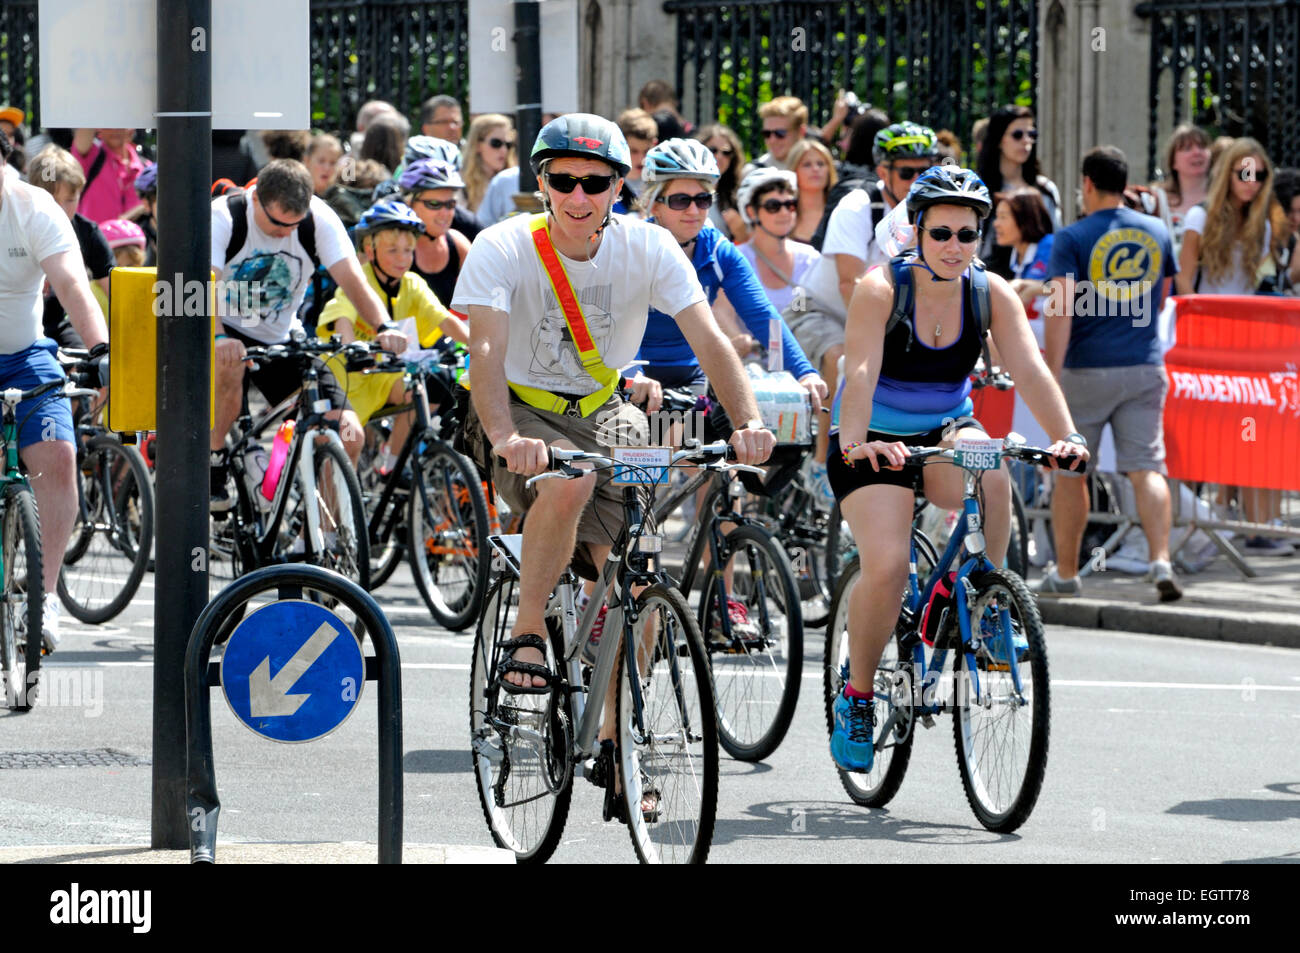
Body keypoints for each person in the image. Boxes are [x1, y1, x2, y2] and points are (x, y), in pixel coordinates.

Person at [454, 114, 775, 726]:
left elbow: (709, 338)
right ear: (542, 183)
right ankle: (527, 632)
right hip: (520, 405)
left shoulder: (647, 247)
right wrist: (506, 437)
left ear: (618, 188)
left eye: (595, 183)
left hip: (605, 407)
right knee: (569, 480)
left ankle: (617, 738)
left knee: (639, 578)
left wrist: (747, 421)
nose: (579, 196)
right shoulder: (504, 245)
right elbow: (487, 352)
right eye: (564, 180)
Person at [828, 165, 1088, 770]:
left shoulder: (989, 291)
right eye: (940, 233)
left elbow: (1029, 368)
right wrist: (858, 442)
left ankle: (985, 599)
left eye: (966, 235)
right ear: (916, 229)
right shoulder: (880, 288)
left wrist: (1066, 436)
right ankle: (858, 695)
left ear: (980, 237)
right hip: (873, 440)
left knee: (991, 470)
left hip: (945, 427)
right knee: (888, 566)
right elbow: (860, 374)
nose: (953, 247)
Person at [208, 158, 409, 509]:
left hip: (281, 336)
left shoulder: (318, 218)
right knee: (230, 366)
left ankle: (318, 539)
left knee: (348, 432)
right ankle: (213, 457)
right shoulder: (224, 216)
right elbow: (199, 285)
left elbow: (353, 280)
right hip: (224, 329)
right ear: (255, 198)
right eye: (276, 224)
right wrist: (219, 336)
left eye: (293, 225)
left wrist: (384, 326)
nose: (285, 233)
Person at [1040, 145, 1181, 599]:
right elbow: (1162, 299)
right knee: (1146, 468)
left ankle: (1066, 573)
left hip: (1086, 370)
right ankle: (1161, 559)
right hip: (1144, 365)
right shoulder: (1158, 230)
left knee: (1072, 472)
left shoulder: (1072, 237)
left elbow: (1059, 308)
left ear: (1086, 184)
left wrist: (1051, 372)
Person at [0, 130, 111, 651]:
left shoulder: (32, 205)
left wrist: (101, 350)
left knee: (60, 456)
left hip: (25, 356)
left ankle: (42, 600)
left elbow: (72, 285)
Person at [1176, 138, 1299, 554]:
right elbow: (1184, 281)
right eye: (1244, 172)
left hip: (1243, 341)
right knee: (1197, 431)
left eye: (1260, 175)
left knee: (1247, 428)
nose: (1252, 182)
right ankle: (1194, 523)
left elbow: (1256, 287)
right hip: (1203, 340)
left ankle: (1252, 525)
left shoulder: (1262, 226)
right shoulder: (1199, 216)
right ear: (1227, 172)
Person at [317, 201, 468, 472]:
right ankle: (333, 512)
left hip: (385, 379)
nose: (403, 259)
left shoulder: (412, 284)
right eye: (393, 250)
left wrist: (480, 345)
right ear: (369, 250)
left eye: (409, 251)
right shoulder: (358, 281)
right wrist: (353, 347)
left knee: (421, 388)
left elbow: (444, 319)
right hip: (348, 383)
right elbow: (343, 317)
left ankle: (392, 466)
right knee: (342, 453)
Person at [25, 145, 113, 349]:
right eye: (53, 201)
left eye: (70, 200)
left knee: (93, 363)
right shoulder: (18, 227)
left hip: (61, 325)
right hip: (22, 327)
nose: (61, 210)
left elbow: (116, 293)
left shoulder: (88, 232)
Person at [975, 106, 1062, 278]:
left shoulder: (1046, 189)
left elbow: (1056, 242)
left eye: (1032, 135)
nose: (1026, 141)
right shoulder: (978, 189)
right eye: (1017, 135)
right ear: (999, 139)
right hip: (988, 281)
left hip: (1036, 281)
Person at [399, 157, 472, 309]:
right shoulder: (391, 245)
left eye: (450, 204)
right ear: (409, 204)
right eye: (434, 204)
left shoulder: (457, 243)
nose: (445, 213)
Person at [1147, 125, 1211, 256]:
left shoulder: (1224, 198)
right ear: (1173, 162)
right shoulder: (1156, 199)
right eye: (1187, 148)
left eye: (1202, 147)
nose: (1197, 152)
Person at [69, 129, 146, 224]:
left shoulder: (146, 168)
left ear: (131, 130)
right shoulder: (91, 156)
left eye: (120, 123)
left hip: (137, 238)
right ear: (99, 130)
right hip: (92, 238)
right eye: (108, 123)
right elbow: (85, 124)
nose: (115, 129)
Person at [694, 123, 748, 242]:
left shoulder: (738, 197)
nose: (719, 156)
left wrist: (741, 232)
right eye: (713, 150)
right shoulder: (685, 189)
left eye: (726, 152)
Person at [786, 138, 837, 246]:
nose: (815, 169)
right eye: (807, 164)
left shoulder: (839, 211)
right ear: (793, 170)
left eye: (821, 164)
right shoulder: (782, 212)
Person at [461, 114, 515, 214]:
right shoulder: (461, 183)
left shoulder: (513, 180)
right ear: (477, 145)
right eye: (496, 143)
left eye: (508, 144)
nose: (503, 150)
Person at [613, 108, 658, 214]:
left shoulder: (655, 178)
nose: (641, 159)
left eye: (646, 151)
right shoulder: (609, 182)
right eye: (634, 151)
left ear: (654, 144)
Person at [751, 96, 809, 172]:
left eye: (780, 133)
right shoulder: (754, 171)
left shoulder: (819, 171)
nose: (772, 140)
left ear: (801, 132)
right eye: (767, 133)